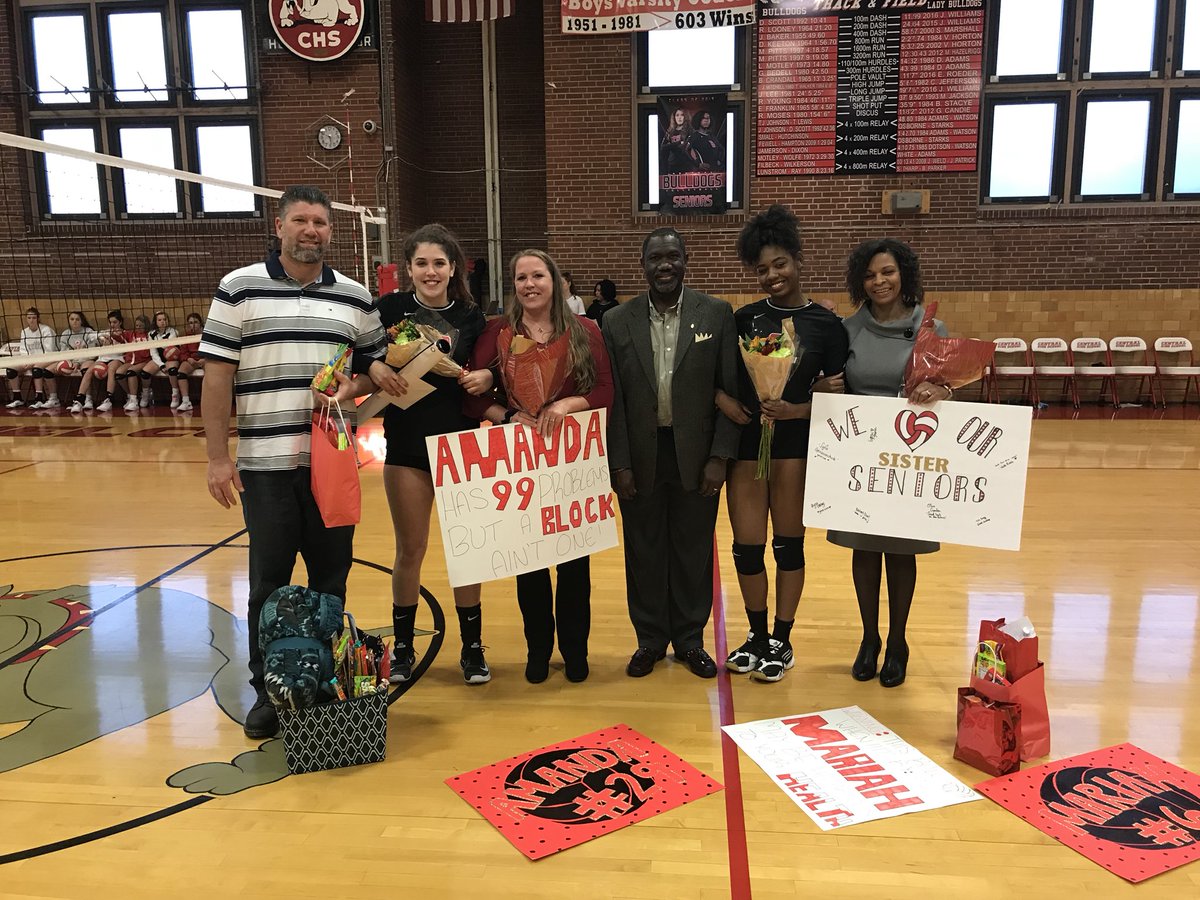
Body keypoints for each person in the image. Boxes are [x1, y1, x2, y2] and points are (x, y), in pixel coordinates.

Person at [200, 185, 398, 739]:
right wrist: (219, 459)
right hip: (265, 465)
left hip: (331, 463)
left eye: (321, 223)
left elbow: (374, 371)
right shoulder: (238, 289)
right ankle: (269, 690)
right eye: (301, 221)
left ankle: (323, 683)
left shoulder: (356, 299)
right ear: (279, 225)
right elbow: (216, 381)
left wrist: (348, 388)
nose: (312, 230)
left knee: (331, 579)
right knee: (268, 582)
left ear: (331, 231)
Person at [466, 249, 613, 684]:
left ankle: (575, 651)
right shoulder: (499, 333)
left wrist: (566, 402)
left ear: (556, 282)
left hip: (570, 461)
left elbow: (605, 389)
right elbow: (472, 396)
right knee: (527, 563)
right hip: (520, 462)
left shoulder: (586, 331)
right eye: (521, 277)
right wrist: (508, 416)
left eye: (538, 276)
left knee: (574, 564)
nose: (530, 284)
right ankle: (538, 650)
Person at [715, 205, 848, 683]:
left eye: (780, 264)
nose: (772, 275)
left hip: (795, 446)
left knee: (788, 546)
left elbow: (841, 399)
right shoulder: (743, 319)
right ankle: (755, 634)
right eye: (762, 269)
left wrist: (799, 410)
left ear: (797, 260)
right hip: (749, 444)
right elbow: (717, 378)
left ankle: (783, 639)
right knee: (747, 549)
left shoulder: (827, 325)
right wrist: (723, 399)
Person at [603, 227, 740, 679]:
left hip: (697, 456)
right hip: (640, 455)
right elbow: (614, 399)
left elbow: (729, 390)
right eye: (655, 258)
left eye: (673, 256)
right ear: (642, 265)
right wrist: (618, 462)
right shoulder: (616, 321)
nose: (665, 265)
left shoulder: (717, 314)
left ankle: (689, 639)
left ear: (686, 260)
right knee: (643, 550)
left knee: (693, 549)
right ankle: (648, 639)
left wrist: (720, 456)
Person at [820, 238, 953, 689]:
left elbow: (951, 385)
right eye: (871, 274)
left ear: (904, 275)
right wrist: (827, 388)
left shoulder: (930, 327)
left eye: (888, 272)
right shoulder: (849, 328)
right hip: (861, 456)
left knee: (900, 552)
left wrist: (942, 392)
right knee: (864, 548)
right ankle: (869, 638)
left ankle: (898, 641)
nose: (879, 281)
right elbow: (834, 381)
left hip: (909, 456)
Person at [377, 223, 492, 686]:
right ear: (408, 268)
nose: (430, 271)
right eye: (421, 263)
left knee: (466, 552)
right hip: (406, 445)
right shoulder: (389, 309)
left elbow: (488, 372)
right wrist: (377, 364)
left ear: (453, 269)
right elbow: (362, 356)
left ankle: (472, 648)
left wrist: (487, 378)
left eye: (439, 263)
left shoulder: (469, 315)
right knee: (411, 550)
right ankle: (402, 649)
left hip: (459, 446)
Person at [5, 307, 58, 409]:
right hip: (30, 360)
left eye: (34, 317)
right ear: (26, 319)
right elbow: (23, 350)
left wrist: (33, 362)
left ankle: (39, 399)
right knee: (10, 369)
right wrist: (26, 361)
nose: (31, 320)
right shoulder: (24, 332)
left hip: (48, 358)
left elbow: (49, 351)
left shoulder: (46, 330)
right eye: (29, 318)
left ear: (38, 318)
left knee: (36, 369)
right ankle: (17, 398)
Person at [89, 310, 133, 413]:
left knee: (112, 369)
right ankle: (82, 399)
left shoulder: (125, 333)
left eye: (115, 322)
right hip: (103, 359)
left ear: (120, 322)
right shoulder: (105, 333)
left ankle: (108, 399)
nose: (112, 324)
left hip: (118, 358)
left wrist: (113, 341)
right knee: (88, 371)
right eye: (110, 322)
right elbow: (91, 337)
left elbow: (127, 349)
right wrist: (102, 341)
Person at [61, 312, 99, 413]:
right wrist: (72, 362)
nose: (74, 322)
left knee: (85, 369)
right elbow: (63, 352)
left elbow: (92, 353)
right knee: (62, 367)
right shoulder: (66, 334)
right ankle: (53, 398)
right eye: (72, 319)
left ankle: (88, 399)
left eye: (77, 319)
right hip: (73, 361)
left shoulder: (89, 332)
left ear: (82, 321)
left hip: (88, 359)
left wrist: (78, 362)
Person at [144, 311, 182, 408]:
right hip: (159, 359)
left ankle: (175, 394)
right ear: (155, 322)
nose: (162, 322)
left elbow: (168, 348)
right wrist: (161, 365)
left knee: (172, 370)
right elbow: (153, 352)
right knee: (144, 373)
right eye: (159, 320)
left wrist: (157, 341)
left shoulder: (174, 332)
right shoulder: (151, 334)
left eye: (164, 319)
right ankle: (145, 395)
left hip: (171, 358)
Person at [121, 314, 154, 411]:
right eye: (137, 326)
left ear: (146, 325)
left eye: (141, 325)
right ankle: (130, 396)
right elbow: (120, 336)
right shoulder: (132, 334)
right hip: (131, 361)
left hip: (145, 361)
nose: (138, 328)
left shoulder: (149, 335)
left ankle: (134, 400)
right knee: (119, 374)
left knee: (131, 372)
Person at [175, 312, 205, 412]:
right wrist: (188, 359)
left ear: (200, 323)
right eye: (190, 323)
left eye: (195, 322)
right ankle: (186, 401)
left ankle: (210, 399)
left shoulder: (207, 334)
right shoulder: (187, 336)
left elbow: (213, 349)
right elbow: (182, 353)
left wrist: (204, 359)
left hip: (205, 359)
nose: (193, 325)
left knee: (212, 372)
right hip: (192, 360)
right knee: (181, 372)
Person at [661, 107, 697, 174]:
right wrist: (679, 142)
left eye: (682, 115)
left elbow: (685, 147)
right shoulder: (670, 131)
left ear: (685, 117)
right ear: (674, 117)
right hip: (672, 165)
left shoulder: (690, 130)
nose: (679, 117)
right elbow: (663, 147)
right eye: (677, 115)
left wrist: (671, 145)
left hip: (687, 165)